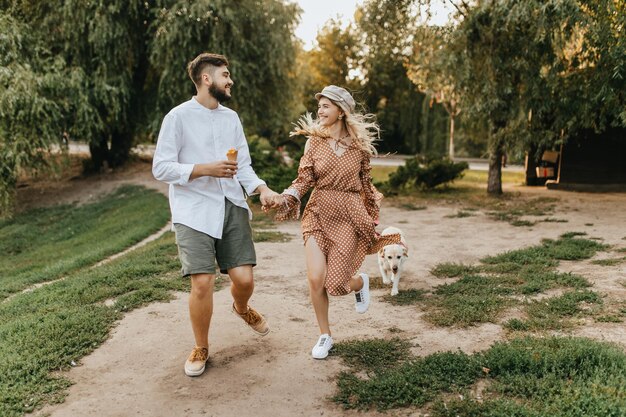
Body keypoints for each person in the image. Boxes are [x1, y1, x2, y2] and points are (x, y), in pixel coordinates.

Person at [152, 52, 279, 377]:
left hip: (231, 205)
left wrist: (261, 189)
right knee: (203, 282)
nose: (230, 80)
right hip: (192, 210)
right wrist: (204, 169)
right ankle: (201, 346)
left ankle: (241, 307)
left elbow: (244, 167)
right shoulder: (177, 117)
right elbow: (161, 167)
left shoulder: (231, 118)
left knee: (244, 279)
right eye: (225, 74)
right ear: (206, 79)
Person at [268, 85, 401, 359]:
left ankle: (359, 284)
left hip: (348, 216)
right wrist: (287, 196)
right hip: (318, 211)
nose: (320, 110)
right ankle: (324, 335)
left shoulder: (359, 148)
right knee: (316, 279)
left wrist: (371, 213)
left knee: (336, 285)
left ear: (341, 111)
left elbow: (366, 184)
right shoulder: (314, 142)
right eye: (319, 106)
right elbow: (304, 179)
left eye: (326, 105)